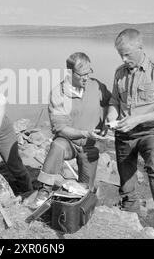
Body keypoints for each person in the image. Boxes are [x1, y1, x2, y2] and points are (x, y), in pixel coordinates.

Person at [104, 29, 154, 239]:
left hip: (151, 131)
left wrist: (137, 119)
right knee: (126, 181)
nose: (124, 59)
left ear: (140, 48)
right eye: (120, 54)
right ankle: (129, 221)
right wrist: (111, 117)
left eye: (128, 54)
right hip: (124, 134)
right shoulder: (119, 72)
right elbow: (114, 100)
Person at [33, 52, 111, 207]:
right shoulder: (58, 93)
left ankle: (82, 197)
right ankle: (44, 190)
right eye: (82, 74)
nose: (86, 78)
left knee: (85, 190)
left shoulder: (97, 86)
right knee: (58, 145)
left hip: (90, 145)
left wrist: (108, 121)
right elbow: (60, 129)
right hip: (69, 142)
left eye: (89, 73)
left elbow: (112, 102)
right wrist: (85, 133)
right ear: (70, 72)